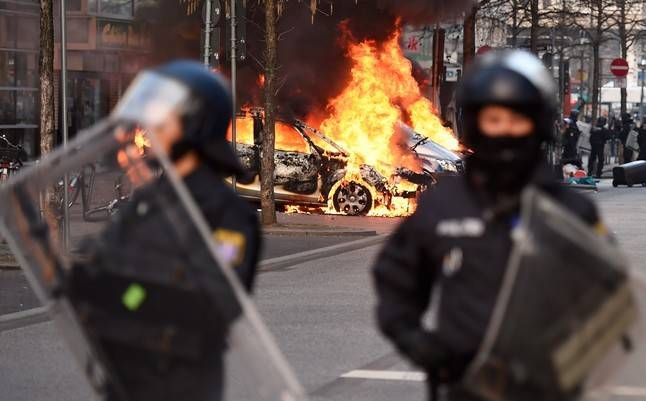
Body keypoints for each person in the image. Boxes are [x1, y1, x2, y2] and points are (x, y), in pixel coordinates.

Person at [372, 50, 607, 401]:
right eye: (494, 119)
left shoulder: (572, 210)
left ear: (539, 124)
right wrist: (418, 343)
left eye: (518, 119)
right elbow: (395, 280)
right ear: (476, 124)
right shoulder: (443, 204)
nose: (506, 131)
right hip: (464, 385)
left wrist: (571, 358)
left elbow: (608, 299)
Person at [69, 61, 261, 401]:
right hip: (124, 376)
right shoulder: (148, 203)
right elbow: (115, 272)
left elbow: (214, 301)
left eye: (162, 119)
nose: (150, 129)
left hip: (180, 383)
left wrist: (133, 295)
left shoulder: (227, 216)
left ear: (194, 124)